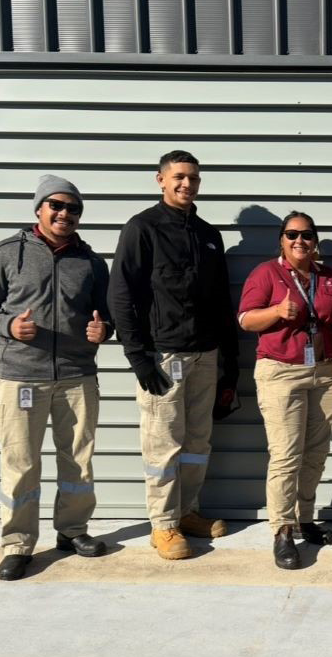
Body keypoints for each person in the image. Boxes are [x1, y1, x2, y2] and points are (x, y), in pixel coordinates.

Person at [0, 175, 113, 581]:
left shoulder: (90, 262)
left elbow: (106, 314)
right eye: (57, 205)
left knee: (78, 461)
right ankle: (17, 544)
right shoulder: (6, 253)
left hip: (76, 376)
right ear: (39, 208)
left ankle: (73, 532)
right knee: (20, 464)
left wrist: (104, 331)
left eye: (73, 208)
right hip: (21, 377)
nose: (65, 213)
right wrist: (8, 325)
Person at [108, 150, 239, 560]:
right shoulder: (142, 228)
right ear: (160, 180)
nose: (187, 184)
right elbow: (120, 294)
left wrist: (228, 367)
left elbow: (221, 302)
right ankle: (163, 525)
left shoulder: (208, 234)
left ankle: (186, 512)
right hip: (163, 357)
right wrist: (138, 357)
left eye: (194, 178)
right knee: (163, 444)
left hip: (205, 355)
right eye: (179, 177)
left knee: (198, 442)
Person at [237, 212, 332, 570]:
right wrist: (277, 311)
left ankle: (305, 518)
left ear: (316, 240)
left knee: (315, 452)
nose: (300, 241)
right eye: (292, 234)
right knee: (286, 454)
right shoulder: (266, 273)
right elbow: (246, 319)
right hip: (281, 372)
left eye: (307, 234)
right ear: (281, 240)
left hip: (325, 372)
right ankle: (282, 530)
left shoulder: (327, 277)